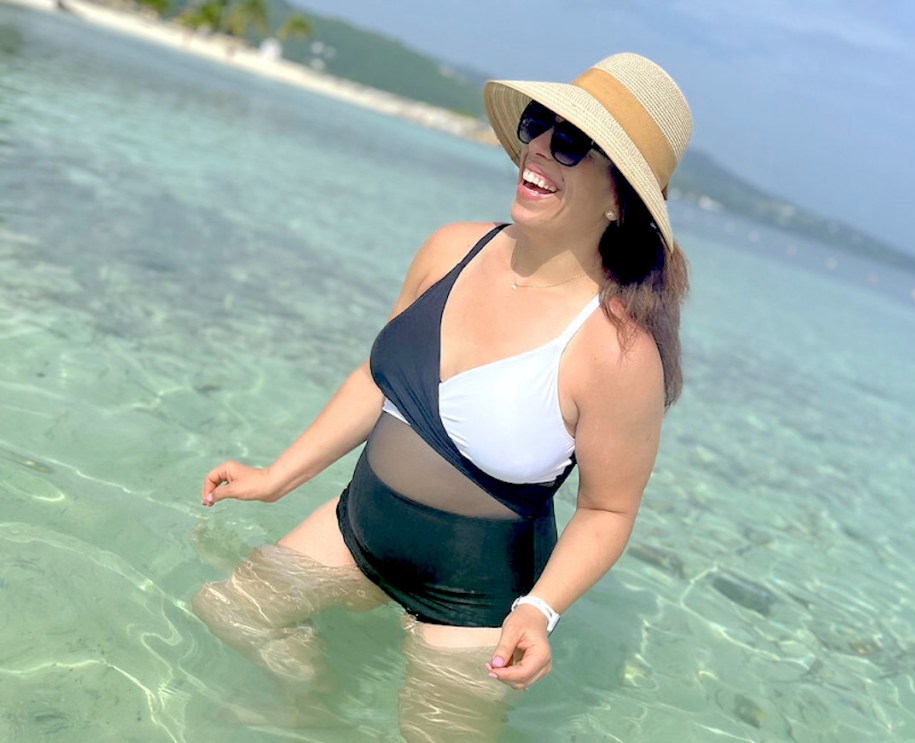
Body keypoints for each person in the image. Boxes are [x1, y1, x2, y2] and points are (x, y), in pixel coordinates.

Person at [193, 52, 692, 738]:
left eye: (571, 143)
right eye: (540, 125)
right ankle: (317, 699)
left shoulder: (617, 350)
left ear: (618, 200)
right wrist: (278, 475)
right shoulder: (450, 248)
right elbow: (376, 379)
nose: (540, 147)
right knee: (226, 608)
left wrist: (538, 611)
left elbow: (607, 509)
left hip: (474, 593)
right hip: (356, 528)